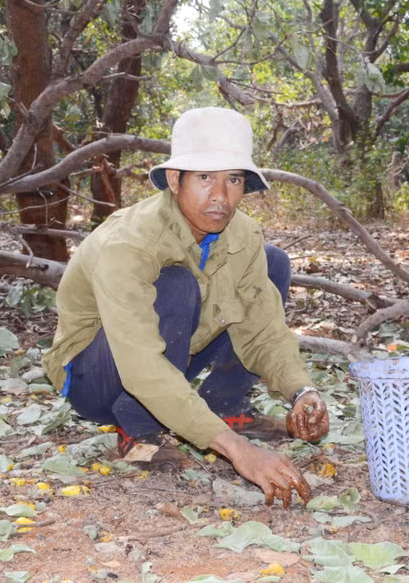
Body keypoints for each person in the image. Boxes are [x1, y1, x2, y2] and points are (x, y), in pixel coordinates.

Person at [43, 106, 330, 507]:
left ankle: (225, 406)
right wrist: (237, 451)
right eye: (205, 178)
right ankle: (138, 430)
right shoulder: (131, 243)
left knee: (273, 262)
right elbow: (140, 364)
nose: (220, 196)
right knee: (177, 283)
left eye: (233, 179)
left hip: (173, 357)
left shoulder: (241, 234)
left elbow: (263, 328)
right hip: (98, 377)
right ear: (175, 180)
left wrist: (301, 390)